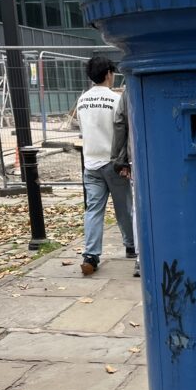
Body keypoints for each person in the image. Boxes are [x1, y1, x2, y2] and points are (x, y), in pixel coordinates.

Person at [76, 55, 135, 276]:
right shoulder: (115, 99)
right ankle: (131, 245)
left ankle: (90, 255)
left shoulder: (82, 100)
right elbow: (121, 129)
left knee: (93, 210)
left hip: (90, 162)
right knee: (124, 208)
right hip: (113, 162)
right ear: (109, 74)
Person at [112, 91, 139, 277]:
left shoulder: (129, 89)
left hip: (138, 154)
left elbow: (120, 123)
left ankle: (140, 258)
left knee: (139, 206)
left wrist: (118, 158)